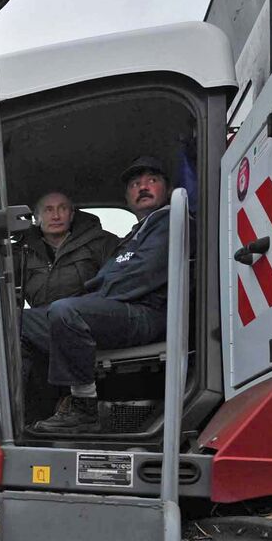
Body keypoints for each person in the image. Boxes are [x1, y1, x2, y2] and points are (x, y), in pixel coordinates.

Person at [20, 156, 173, 434]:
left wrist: (97, 294)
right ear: (127, 197)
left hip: (144, 312)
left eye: (152, 181)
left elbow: (141, 275)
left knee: (66, 311)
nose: (143, 188)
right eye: (136, 184)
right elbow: (116, 274)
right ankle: (27, 416)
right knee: (20, 324)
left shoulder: (169, 222)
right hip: (116, 310)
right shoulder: (136, 233)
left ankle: (84, 407)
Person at [14, 191, 120, 417]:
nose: (56, 215)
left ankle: (80, 405)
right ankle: (17, 414)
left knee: (21, 323)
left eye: (62, 208)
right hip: (44, 328)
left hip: (86, 324)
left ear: (72, 214)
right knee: (8, 330)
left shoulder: (100, 243)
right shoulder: (22, 253)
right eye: (48, 210)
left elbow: (120, 278)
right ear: (36, 217)